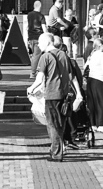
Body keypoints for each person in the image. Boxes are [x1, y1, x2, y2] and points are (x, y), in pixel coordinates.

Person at [32, 31, 76, 163]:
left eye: (40, 42)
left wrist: (31, 88)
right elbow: (70, 75)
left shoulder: (45, 57)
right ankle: (57, 149)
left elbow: (39, 78)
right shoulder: (63, 54)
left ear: (47, 42)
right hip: (64, 94)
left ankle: (56, 153)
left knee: (52, 124)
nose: (38, 45)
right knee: (60, 124)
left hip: (51, 94)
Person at [85, 35, 103, 133]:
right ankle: (101, 124)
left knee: (92, 103)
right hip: (100, 79)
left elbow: (86, 65)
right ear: (100, 45)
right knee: (102, 102)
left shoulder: (92, 54)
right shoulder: (102, 54)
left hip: (91, 79)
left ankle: (93, 124)